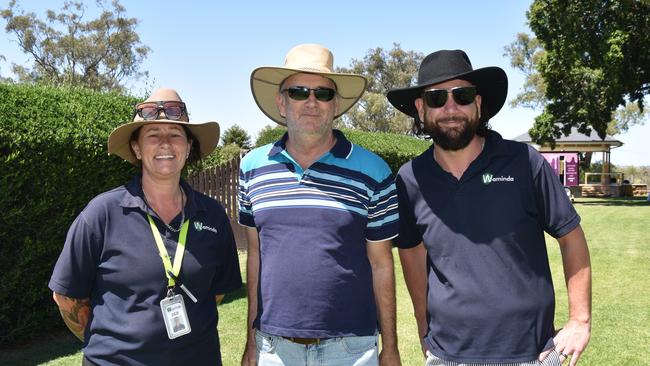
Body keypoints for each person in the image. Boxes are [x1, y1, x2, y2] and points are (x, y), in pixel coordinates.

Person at [386, 50, 592, 366]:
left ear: (478, 104)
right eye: (437, 98)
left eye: (463, 96)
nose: (450, 108)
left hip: (531, 354)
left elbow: (571, 236)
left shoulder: (525, 162)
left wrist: (580, 319)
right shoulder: (410, 179)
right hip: (447, 355)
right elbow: (411, 252)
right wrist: (422, 323)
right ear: (420, 109)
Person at [48, 88, 242, 365]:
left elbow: (216, 293)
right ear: (137, 149)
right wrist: (115, 342)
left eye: (175, 134)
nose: (165, 143)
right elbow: (66, 296)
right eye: (153, 135)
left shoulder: (211, 215)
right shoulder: (101, 213)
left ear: (188, 147)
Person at [239, 44, 401, 366]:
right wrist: (250, 342)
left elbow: (382, 265)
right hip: (274, 348)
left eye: (323, 94)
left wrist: (391, 348)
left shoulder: (374, 171)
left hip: (352, 349)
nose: (312, 102)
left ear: (336, 105)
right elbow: (256, 257)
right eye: (299, 92)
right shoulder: (252, 167)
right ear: (282, 102)